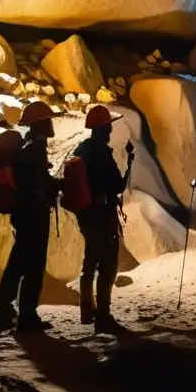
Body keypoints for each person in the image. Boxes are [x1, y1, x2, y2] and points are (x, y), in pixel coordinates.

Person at [0, 101, 60, 333]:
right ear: (41, 124)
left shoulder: (30, 149)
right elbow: (33, 186)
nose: (52, 123)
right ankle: (26, 316)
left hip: (25, 215)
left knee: (19, 263)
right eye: (48, 120)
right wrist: (53, 186)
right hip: (33, 216)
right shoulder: (33, 151)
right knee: (32, 267)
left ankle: (6, 312)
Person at [72, 105, 131, 333]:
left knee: (89, 262)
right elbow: (117, 185)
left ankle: (86, 310)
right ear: (104, 129)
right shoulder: (102, 153)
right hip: (102, 215)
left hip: (85, 215)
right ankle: (103, 316)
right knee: (107, 266)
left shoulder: (81, 149)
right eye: (109, 126)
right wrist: (128, 165)